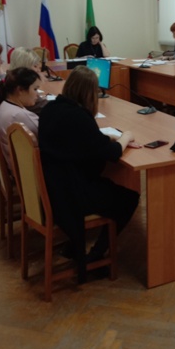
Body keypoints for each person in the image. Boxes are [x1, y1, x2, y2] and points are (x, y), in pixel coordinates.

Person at [38, 66, 140, 282]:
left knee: (109, 184)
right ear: (89, 93)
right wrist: (126, 137)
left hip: (52, 186)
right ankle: (96, 255)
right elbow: (111, 153)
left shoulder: (50, 109)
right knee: (129, 198)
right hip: (71, 194)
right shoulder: (79, 117)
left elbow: (82, 141)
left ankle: (72, 245)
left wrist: (108, 139)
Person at [0, 68, 41, 168]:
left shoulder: (3, 104)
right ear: (20, 90)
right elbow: (45, 136)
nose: (38, 94)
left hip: (16, 164)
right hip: (26, 169)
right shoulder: (20, 115)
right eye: (35, 89)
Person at [9, 47, 47, 114]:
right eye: (35, 66)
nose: (38, 70)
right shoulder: (22, 88)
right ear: (24, 67)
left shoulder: (11, 80)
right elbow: (41, 106)